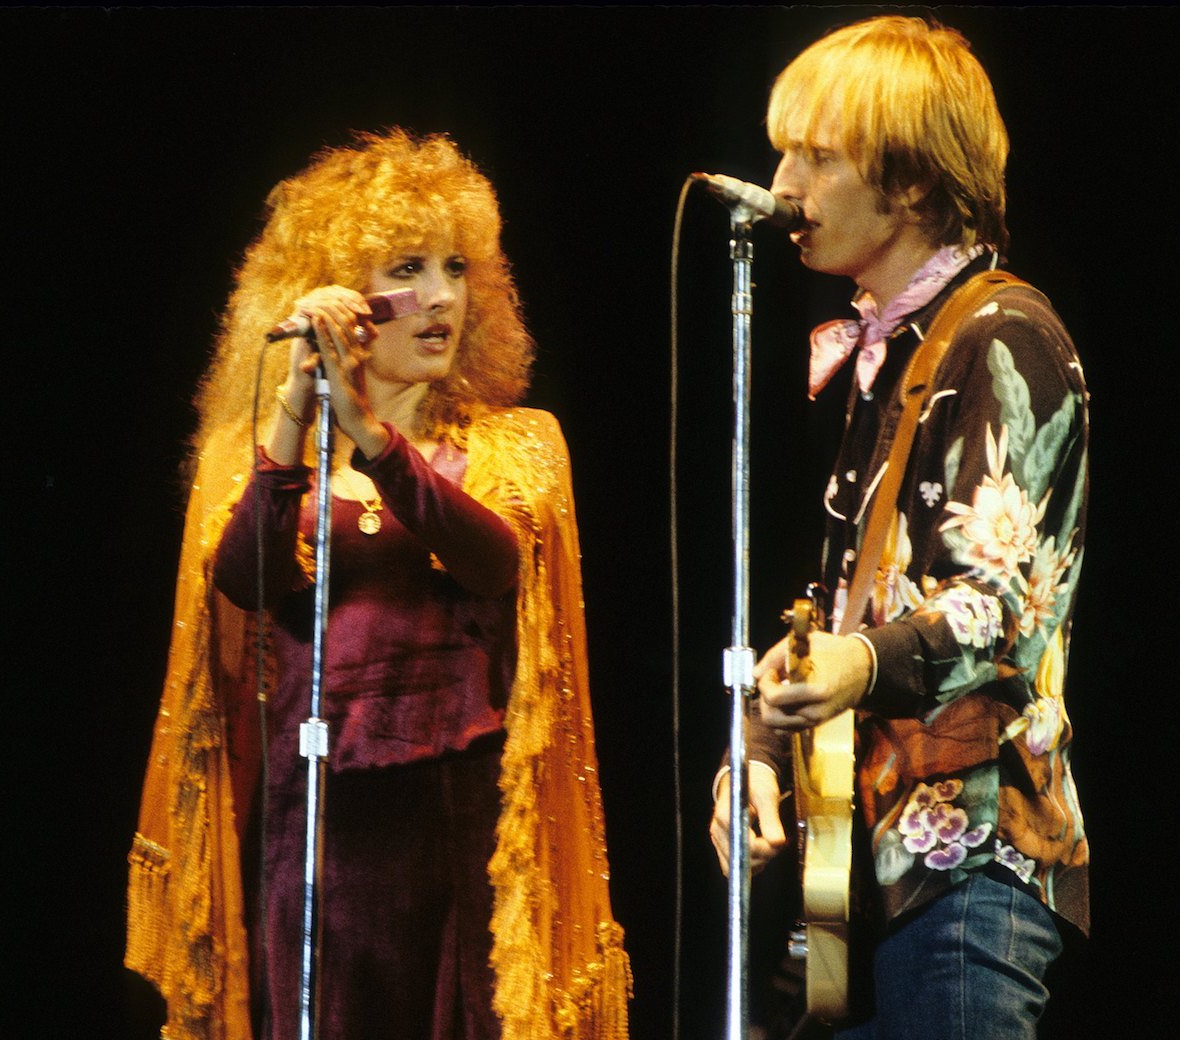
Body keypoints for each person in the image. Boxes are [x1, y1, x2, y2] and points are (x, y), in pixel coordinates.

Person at [126, 129, 630, 1040]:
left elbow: (492, 560)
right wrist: (296, 408)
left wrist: (372, 438)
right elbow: (245, 578)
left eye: (457, 267)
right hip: (317, 822)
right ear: (339, 299)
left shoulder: (517, 445)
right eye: (408, 267)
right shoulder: (256, 460)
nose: (441, 296)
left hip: (464, 818)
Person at [709, 16, 1089, 1039]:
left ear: (912, 182)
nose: (783, 183)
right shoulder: (893, 361)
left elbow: (995, 606)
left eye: (816, 155)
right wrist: (752, 743)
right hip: (866, 873)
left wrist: (854, 664)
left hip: (965, 871)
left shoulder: (1003, 336)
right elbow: (837, 609)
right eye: (784, 150)